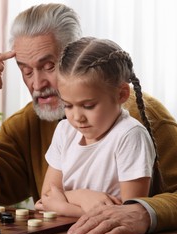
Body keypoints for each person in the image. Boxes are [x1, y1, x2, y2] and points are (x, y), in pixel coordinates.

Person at [0, 3, 177, 234]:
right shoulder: (28, 124)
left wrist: (142, 212)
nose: (37, 84)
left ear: (74, 59)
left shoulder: (142, 120)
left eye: (49, 67)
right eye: (26, 71)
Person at [35, 37, 158, 217]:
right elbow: (45, 198)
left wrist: (62, 206)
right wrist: (83, 196)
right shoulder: (64, 131)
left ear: (122, 94)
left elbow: (128, 214)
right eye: (68, 105)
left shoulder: (130, 136)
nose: (77, 117)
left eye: (88, 106)